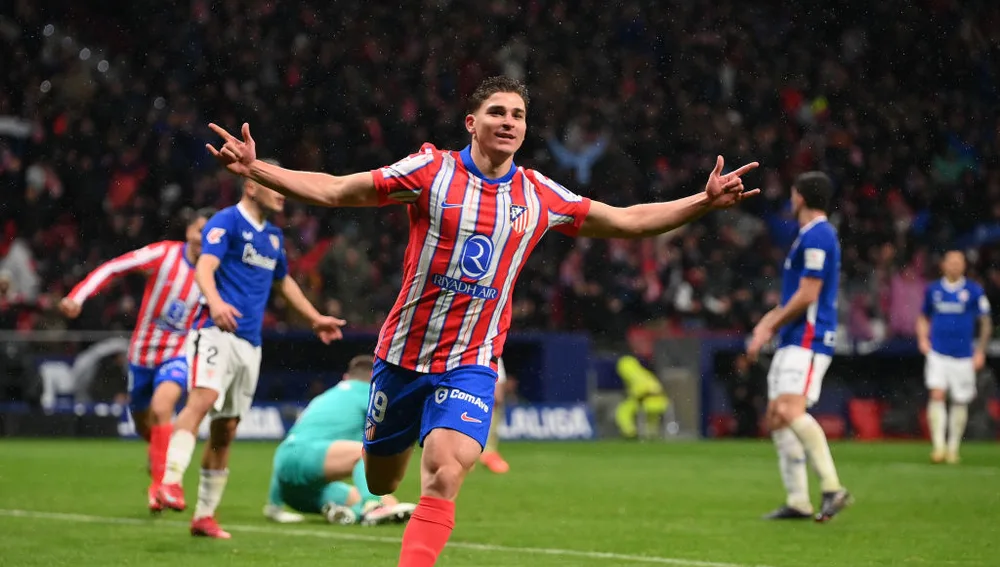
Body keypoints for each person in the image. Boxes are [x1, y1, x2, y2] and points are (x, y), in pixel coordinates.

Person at [207, 75, 757, 565]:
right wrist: (256, 168)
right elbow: (335, 188)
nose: (508, 122)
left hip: (472, 361)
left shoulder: (539, 195)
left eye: (518, 115)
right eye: (497, 112)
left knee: (446, 471)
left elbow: (629, 221)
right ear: (471, 123)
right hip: (402, 356)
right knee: (381, 478)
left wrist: (700, 203)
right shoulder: (430, 171)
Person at [155, 165, 346, 539]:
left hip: (250, 344)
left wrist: (314, 318)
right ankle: (170, 480)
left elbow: (284, 282)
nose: (281, 194)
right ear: (251, 186)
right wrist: (215, 304)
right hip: (214, 332)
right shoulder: (225, 222)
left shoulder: (273, 238)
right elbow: (204, 270)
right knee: (203, 399)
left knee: (225, 430)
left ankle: (204, 517)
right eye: (273, 186)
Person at [59, 208, 215, 513]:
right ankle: (159, 459)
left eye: (211, 234)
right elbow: (116, 267)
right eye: (199, 231)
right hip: (142, 353)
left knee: (162, 407)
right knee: (146, 424)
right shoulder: (164, 254)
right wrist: (78, 296)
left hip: (180, 351)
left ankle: (162, 486)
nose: (204, 239)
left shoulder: (216, 270)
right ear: (188, 233)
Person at [747, 171, 851, 523]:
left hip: (809, 337)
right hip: (793, 337)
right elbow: (796, 295)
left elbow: (808, 294)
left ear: (801, 197)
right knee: (777, 416)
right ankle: (798, 501)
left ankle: (833, 487)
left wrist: (768, 324)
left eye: (793, 193)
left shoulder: (819, 235)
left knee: (790, 410)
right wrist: (768, 325)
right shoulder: (807, 236)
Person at [264, 354, 416, 525]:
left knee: (390, 504)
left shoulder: (325, 396)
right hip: (309, 460)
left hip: (290, 483)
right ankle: (372, 507)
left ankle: (351, 514)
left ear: (345, 377)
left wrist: (275, 504)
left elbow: (291, 450)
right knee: (365, 454)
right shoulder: (372, 394)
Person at [916, 250, 992, 464]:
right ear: (943, 265)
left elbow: (985, 322)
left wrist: (980, 351)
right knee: (937, 394)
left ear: (964, 266)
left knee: (960, 400)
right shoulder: (933, 290)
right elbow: (923, 316)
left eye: (959, 262)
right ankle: (938, 447)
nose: (955, 266)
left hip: (963, 355)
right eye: (951, 262)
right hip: (938, 352)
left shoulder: (974, 290)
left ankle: (953, 448)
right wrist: (923, 338)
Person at [614, 354, 669, 440]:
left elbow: (639, 394)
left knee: (623, 410)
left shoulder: (633, 376)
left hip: (646, 401)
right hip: (662, 402)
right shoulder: (646, 373)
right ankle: (652, 434)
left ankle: (630, 432)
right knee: (652, 418)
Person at [477, 357, 510, 473]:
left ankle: (489, 452)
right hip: (471, 350)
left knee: (497, 398)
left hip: (493, 348)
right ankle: (467, 450)